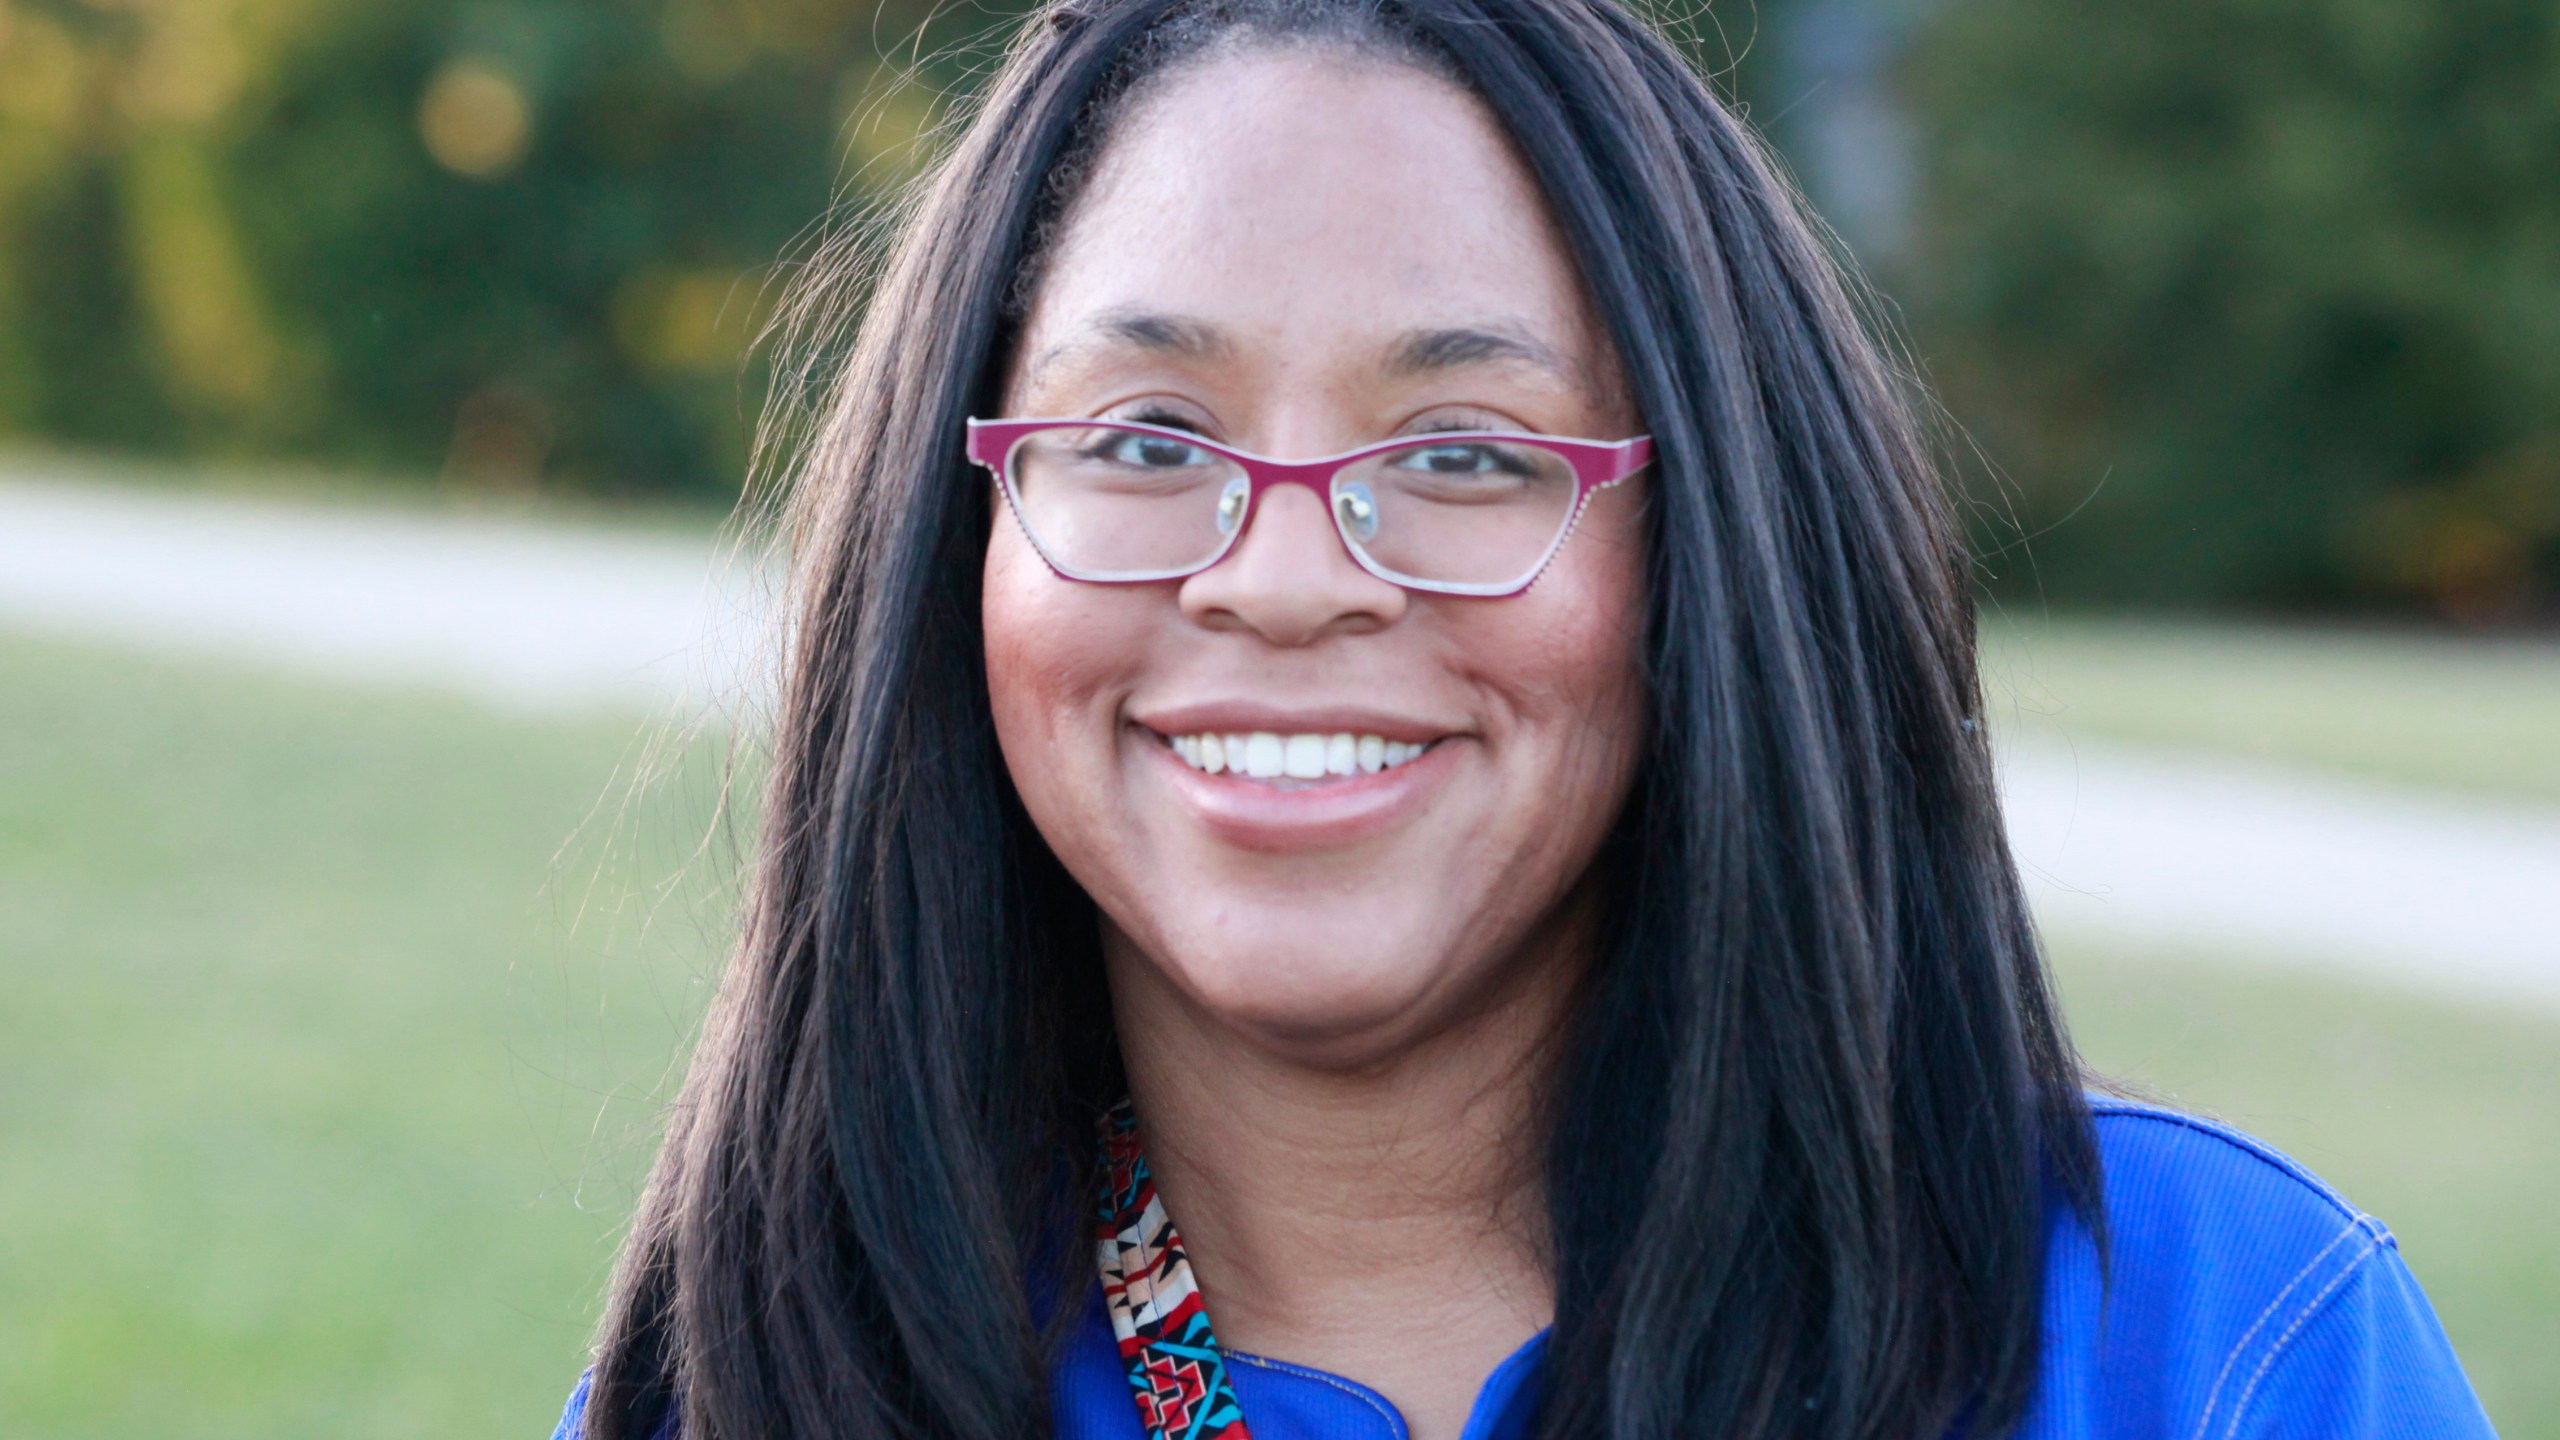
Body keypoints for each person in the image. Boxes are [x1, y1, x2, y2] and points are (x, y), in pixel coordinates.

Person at [553, 0, 2498, 1435]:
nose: (1285, 575)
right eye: (1144, 436)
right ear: (958, 535)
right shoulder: (750, 1373)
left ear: (1706, 552)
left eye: (1467, 451)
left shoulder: (2200, 1344)